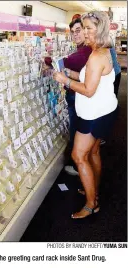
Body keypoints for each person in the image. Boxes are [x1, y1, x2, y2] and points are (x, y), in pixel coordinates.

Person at [53, 11, 117, 219]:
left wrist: (66, 82)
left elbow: (89, 90)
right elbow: (93, 78)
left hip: (93, 114)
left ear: (100, 29)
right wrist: (70, 75)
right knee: (94, 153)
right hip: (105, 111)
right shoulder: (102, 50)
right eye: (84, 28)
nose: (85, 33)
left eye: (89, 28)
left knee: (78, 155)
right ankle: (93, 191)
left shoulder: (96, 55)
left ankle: (91, 204)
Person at [63, 17, 92, 176]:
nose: (75, 34)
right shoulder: (83, 49)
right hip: (79, 95)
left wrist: (49, 60)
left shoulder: (85, 51)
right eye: (73, 32)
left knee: (77, 129)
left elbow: (68, 61)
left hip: (78, 96)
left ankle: (77, 166)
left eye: (78, 30)